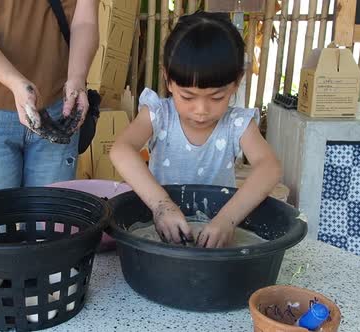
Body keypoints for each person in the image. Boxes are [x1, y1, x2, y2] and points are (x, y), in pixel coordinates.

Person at [110, 12, 281, 248]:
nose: (201, 110)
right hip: (163, 234)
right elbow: (121, 150)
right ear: (168, 80)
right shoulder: (159, 114)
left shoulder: (237, 124)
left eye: (217, 97)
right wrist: (162, 206)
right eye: (188, 96)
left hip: (217, 234)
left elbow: (270, 168)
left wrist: (227, 220)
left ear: (237, 82)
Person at [0, 0, 98, 199]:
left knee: (49, 224)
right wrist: (15, 83)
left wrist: (77, 78)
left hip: (58, 103)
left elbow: (85, 20)